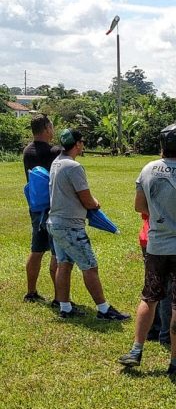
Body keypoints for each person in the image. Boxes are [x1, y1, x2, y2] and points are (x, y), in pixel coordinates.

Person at [118, 123, 176, 375]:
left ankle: (136, 349)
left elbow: (140, 206)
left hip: (156, 246)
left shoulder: (148, 168)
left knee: (149, 296)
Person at [47, 129, 130, 321]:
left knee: (64, 264)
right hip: (70, 226)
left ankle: (65, 307)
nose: (83, 145)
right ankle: (103, 309)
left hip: (56, 223)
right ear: (76, 144)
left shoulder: (56, 163)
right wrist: (96, 203)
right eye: (82, 142)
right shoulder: (73, 167)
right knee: (90, 266)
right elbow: (87, 200)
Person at [22, 114, 59, 304]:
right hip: (53, 208)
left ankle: (31, 292)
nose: (53, 130)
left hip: (36, 207)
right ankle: (60, 297)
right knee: (56, 253)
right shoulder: (54, 152)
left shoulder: (27, 151)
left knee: (36, 249)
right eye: (51, 126)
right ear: (46, 129)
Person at [139, 213, 176, 348]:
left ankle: (153, 329)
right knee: (168, 290)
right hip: (166, 239)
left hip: (149, 236)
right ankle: (167, 334)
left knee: (154, 288)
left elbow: (142, 209)